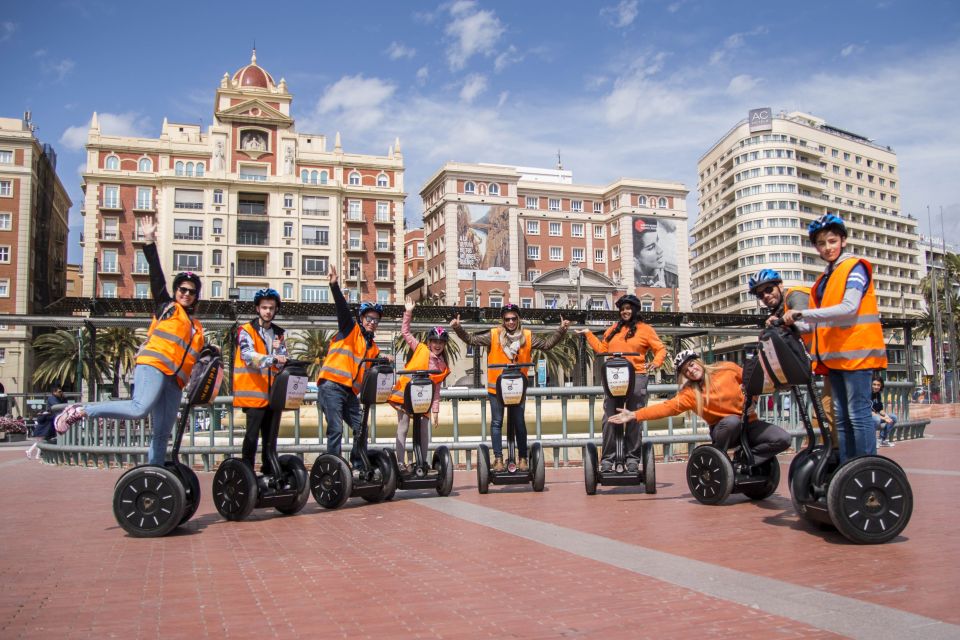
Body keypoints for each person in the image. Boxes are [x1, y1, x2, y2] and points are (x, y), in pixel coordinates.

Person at [55, 216, 206, 465]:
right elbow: (157, 276)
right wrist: (148, 241)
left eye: (191, 291)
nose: (186, 294)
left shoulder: (197, 326)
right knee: (139, 408)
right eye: (182, 289)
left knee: (162, 433)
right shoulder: (167, 306)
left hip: (175, 382)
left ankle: (153, 476)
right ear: (176, 291)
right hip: (154, 367)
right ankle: (81, 410)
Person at [783, 213, 888, 462]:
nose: (827, 247)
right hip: (835, 360)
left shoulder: (855, 268)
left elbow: (849, 307)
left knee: (858, 414)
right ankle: (847, 471)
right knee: (840, 416)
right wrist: (791, 324)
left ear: (843, 240)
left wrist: (802, 312)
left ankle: (866, 469)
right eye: (821, 243)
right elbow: (823, 322)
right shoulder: (826, 279)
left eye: (832, 241)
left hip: (858, 354)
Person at [609, 350, 791, 466]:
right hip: (725, 429)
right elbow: (667, 407)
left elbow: (753, 382)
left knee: (783, 439)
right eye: (686, 370)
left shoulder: (727, 369)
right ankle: (720, 459)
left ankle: (745, 458)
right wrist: (634, 414)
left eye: (691, 364)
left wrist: (758, 397)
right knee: (732, 421)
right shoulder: (690, 394)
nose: (691, 370)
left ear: (698, 361)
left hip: (749, 424)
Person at [451, 304, 570, 472]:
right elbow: (472, 340)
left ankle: (522, 458)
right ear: (503, 320)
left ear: (518, 319)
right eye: (507, 319)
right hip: (496, 389)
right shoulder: (494, 335)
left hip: (517, 389)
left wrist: (561, 330)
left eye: (514, 318)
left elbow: (547, 345)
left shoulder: (527, 336)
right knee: (497, 423)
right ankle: (498, 459)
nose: (511, 322)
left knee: (519, 423)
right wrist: (458, 328)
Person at [576, 293, 666, 473]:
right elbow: (602, 349)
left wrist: (655, 363)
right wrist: (588, 334)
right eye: (622, 309)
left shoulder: (645, 329)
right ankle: (608, 458)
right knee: (609, 417)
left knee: (634, 417)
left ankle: (632, 458)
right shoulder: (613, 329)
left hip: (637, 376)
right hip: (614, 377)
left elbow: (660, 349)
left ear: (634, 310)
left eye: (628, 308)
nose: (625, 311)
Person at [316, 265, 390, 470]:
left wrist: (385, 359)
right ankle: (333, 469)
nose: (372, 322)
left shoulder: (372, 347)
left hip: (349, 392)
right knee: (336, 429)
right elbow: (342, 308)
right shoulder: (350, 329)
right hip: (331, 386)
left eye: (376, 320)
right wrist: (334, 285)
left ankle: (357, 465)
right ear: (361, 318)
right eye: (369, 318)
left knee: (360, 428)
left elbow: (372, 366)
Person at [389, 298, 450, 471]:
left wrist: (436, 411)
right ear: (429, 342)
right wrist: (408, 312)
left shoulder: (442, 365)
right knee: (403, 426)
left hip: (423, 401)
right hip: (405, 396)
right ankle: (400, 463)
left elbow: (436, 389)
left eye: (441, 342)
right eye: (434, 342)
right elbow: (406, 333)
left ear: (444, 345)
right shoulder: (420, 348)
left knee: (423, 430)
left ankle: (422, 462)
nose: (437, 345)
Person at [235, 288, 289, 473]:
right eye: (264, 307)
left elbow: (281, 363)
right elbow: (248, 356)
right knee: (251, 438)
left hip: (273, 396)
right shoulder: (246, 331)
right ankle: (247, 475)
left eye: (271, 308)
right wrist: (272, 358)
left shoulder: (279, 333)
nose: (268, 311)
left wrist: (279, 354)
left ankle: (269, 473)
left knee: (270, 440)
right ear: (257, 309)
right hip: (253, 394)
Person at [26, 382, 66, 460]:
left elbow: (63, 405)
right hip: (47, 424)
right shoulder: (52, 399)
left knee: (43, 440)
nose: (60, 393)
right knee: (42, 440)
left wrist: (63, 397)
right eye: (59, 391)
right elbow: (58, 406)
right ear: (54, 392)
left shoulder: (58, 398)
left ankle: (36, 454)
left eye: (61, 391)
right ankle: (30, 451)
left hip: (50, 423)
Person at [871, 378, 898, 447]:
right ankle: (873, 441)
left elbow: (880, 410)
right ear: (870, 384)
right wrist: (884, 418)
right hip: (867, 417)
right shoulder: (867, 394)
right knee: (876, 419)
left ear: (881, 386)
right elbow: (869, 412)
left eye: (878, 385)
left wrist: (886, 416)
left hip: (875, 416)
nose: (876, 387)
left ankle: (882, 439)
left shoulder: (878, 394)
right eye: (874, 384)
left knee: (893, 417)